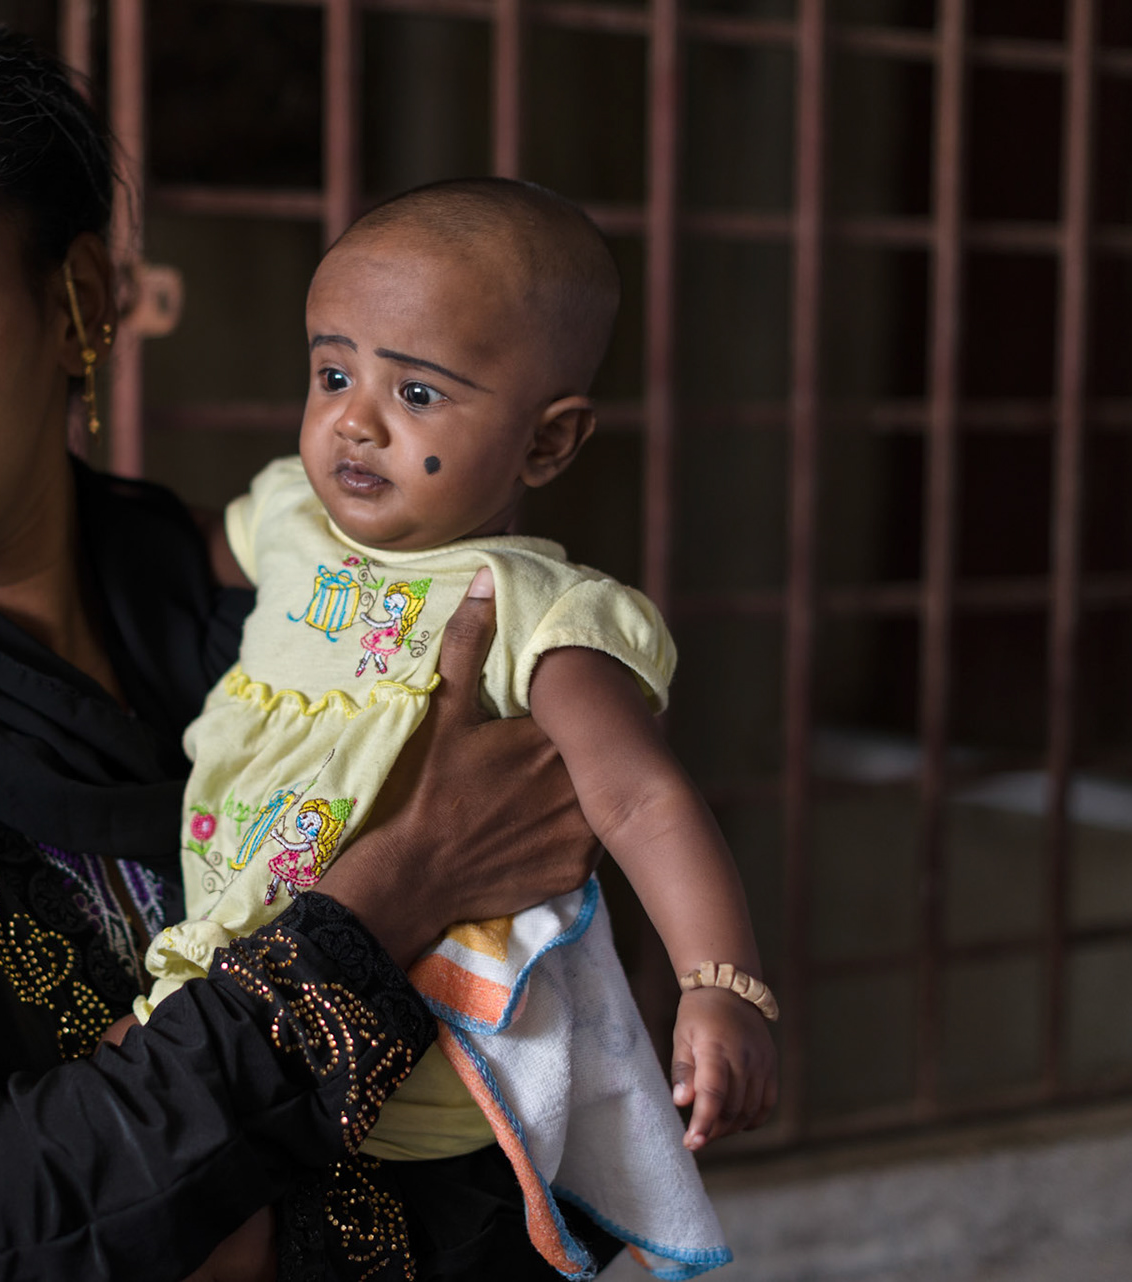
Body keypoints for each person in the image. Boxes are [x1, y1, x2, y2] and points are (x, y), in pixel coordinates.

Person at [0, 22, 611, 1282]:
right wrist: (385, 895)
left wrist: (209, 1217)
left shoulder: (303, 625)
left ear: (78, 299)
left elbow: (524, 1106)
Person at [133, 180, 777, 1279]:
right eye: (333, 373)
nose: (356, 418)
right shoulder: (292, 518)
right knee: (172, 1187)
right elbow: (172, 549)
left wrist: (724, 981)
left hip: (420, 1050)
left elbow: (640, 796)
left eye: (419, 392)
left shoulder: (532, 609)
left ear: (548, 442)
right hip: (238, 988)